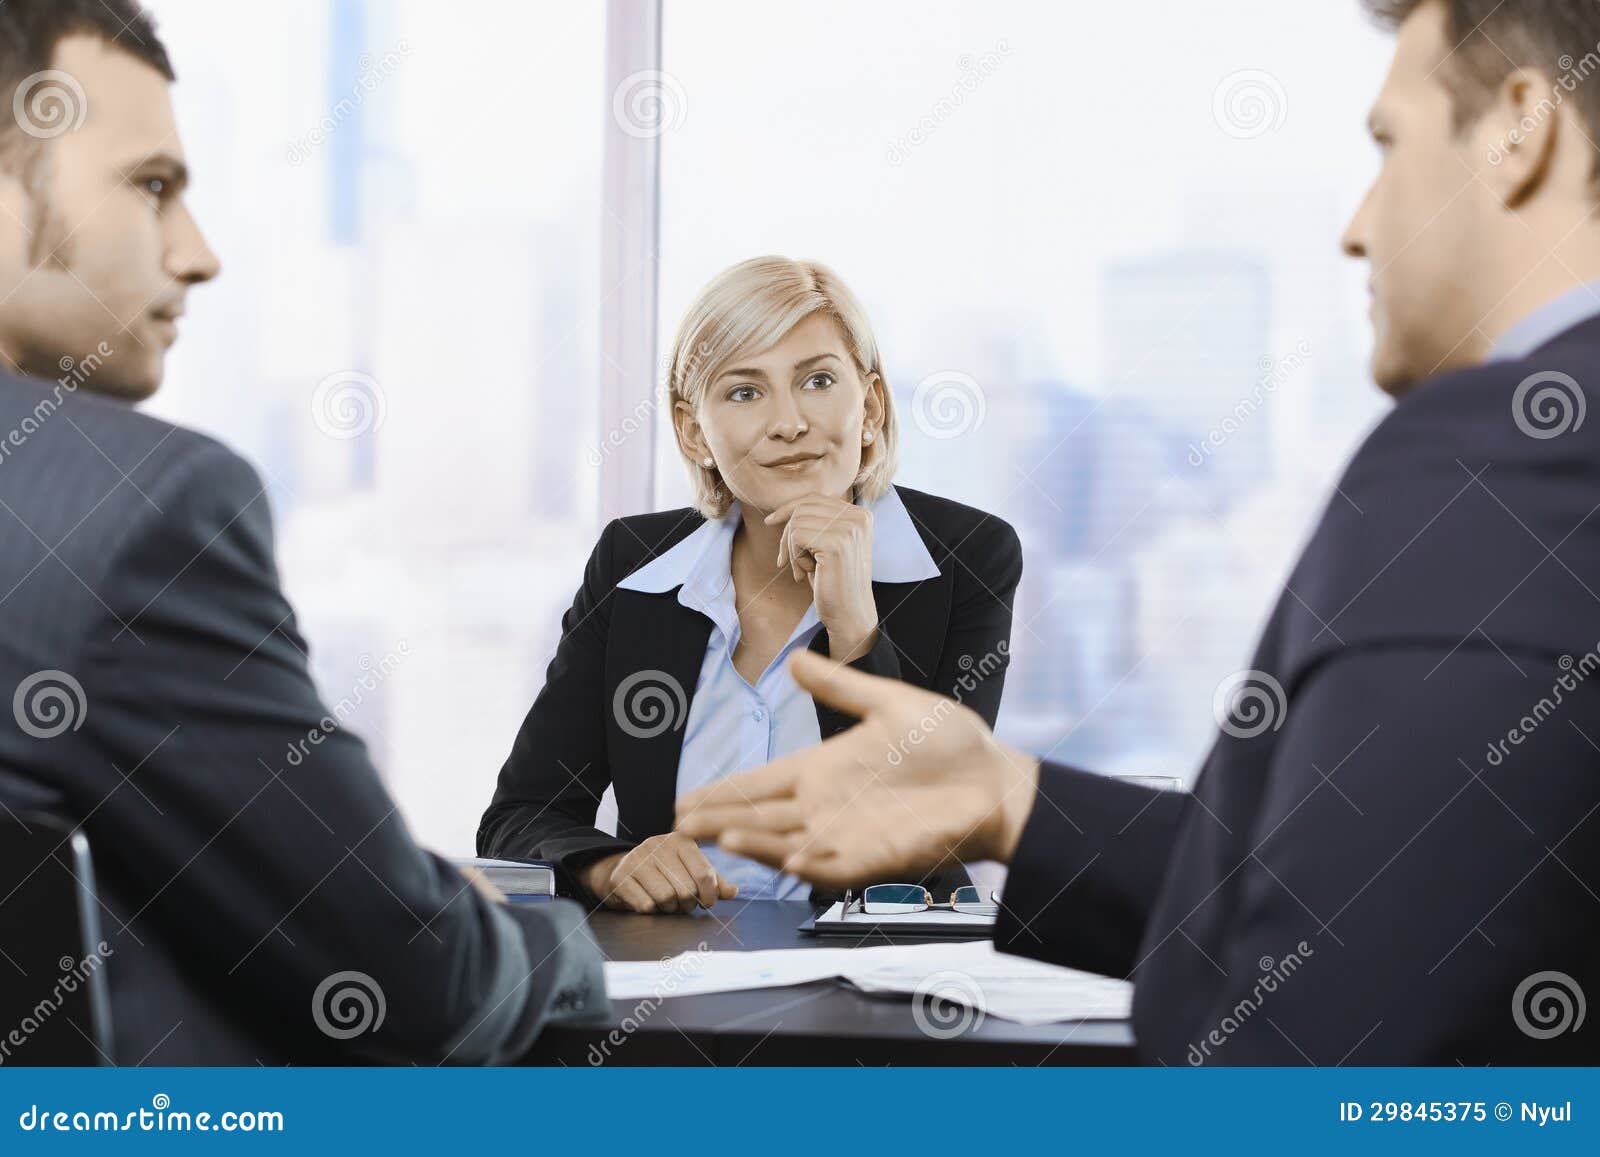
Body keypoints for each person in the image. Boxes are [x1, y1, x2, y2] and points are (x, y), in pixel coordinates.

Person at [677, 0, 1600, 1063]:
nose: (1357, 223)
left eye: (1389, 145)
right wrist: (1010, 797)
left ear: (1520, 125)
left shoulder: (1504, 457)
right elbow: (1361, 907)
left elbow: (1318, 1060)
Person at [0, 0, 605, 1064]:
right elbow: (414, 981)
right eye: (150, 186)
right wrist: (546, 935)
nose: (198, 255)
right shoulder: (137, 513)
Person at [479, 256, 1022, 913]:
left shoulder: (969, 557)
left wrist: (855, 631)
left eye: (818, 380)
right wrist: (611, 866)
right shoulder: (632, 562)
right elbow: (521, 815)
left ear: (871, 405)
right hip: (668, 979)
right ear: (692, 429)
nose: (789, 422)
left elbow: (931, 830)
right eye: (744, 391)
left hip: (870, 983)